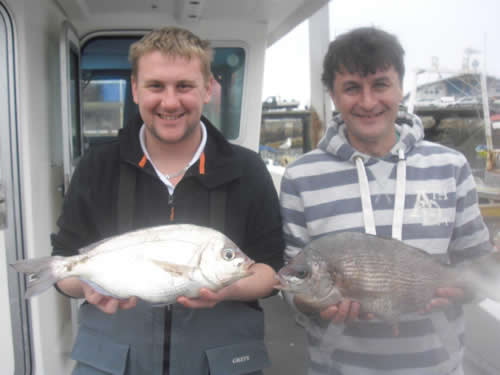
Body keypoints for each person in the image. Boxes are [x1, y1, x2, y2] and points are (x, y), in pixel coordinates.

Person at [51, 27, 284, 375]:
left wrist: (226, 290)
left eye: (185, 86)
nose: (170, 102)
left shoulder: (248, 170)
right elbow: (64, 266)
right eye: (156, 86)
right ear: (135, 89)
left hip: (221, 361)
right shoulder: (96, 167)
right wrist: (87, 283)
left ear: (208, 89)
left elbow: (268, 270)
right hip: (112, 361)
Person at [279, 26, 493, 375]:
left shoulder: (450, 166)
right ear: (333, 95)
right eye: (351, 88)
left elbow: (478, 268)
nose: (367, 102)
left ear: (400, 88)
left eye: (380, 84)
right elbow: (294, 284)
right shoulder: (300, 177)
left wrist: (462, 290)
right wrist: (315, 305)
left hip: (438, 366)